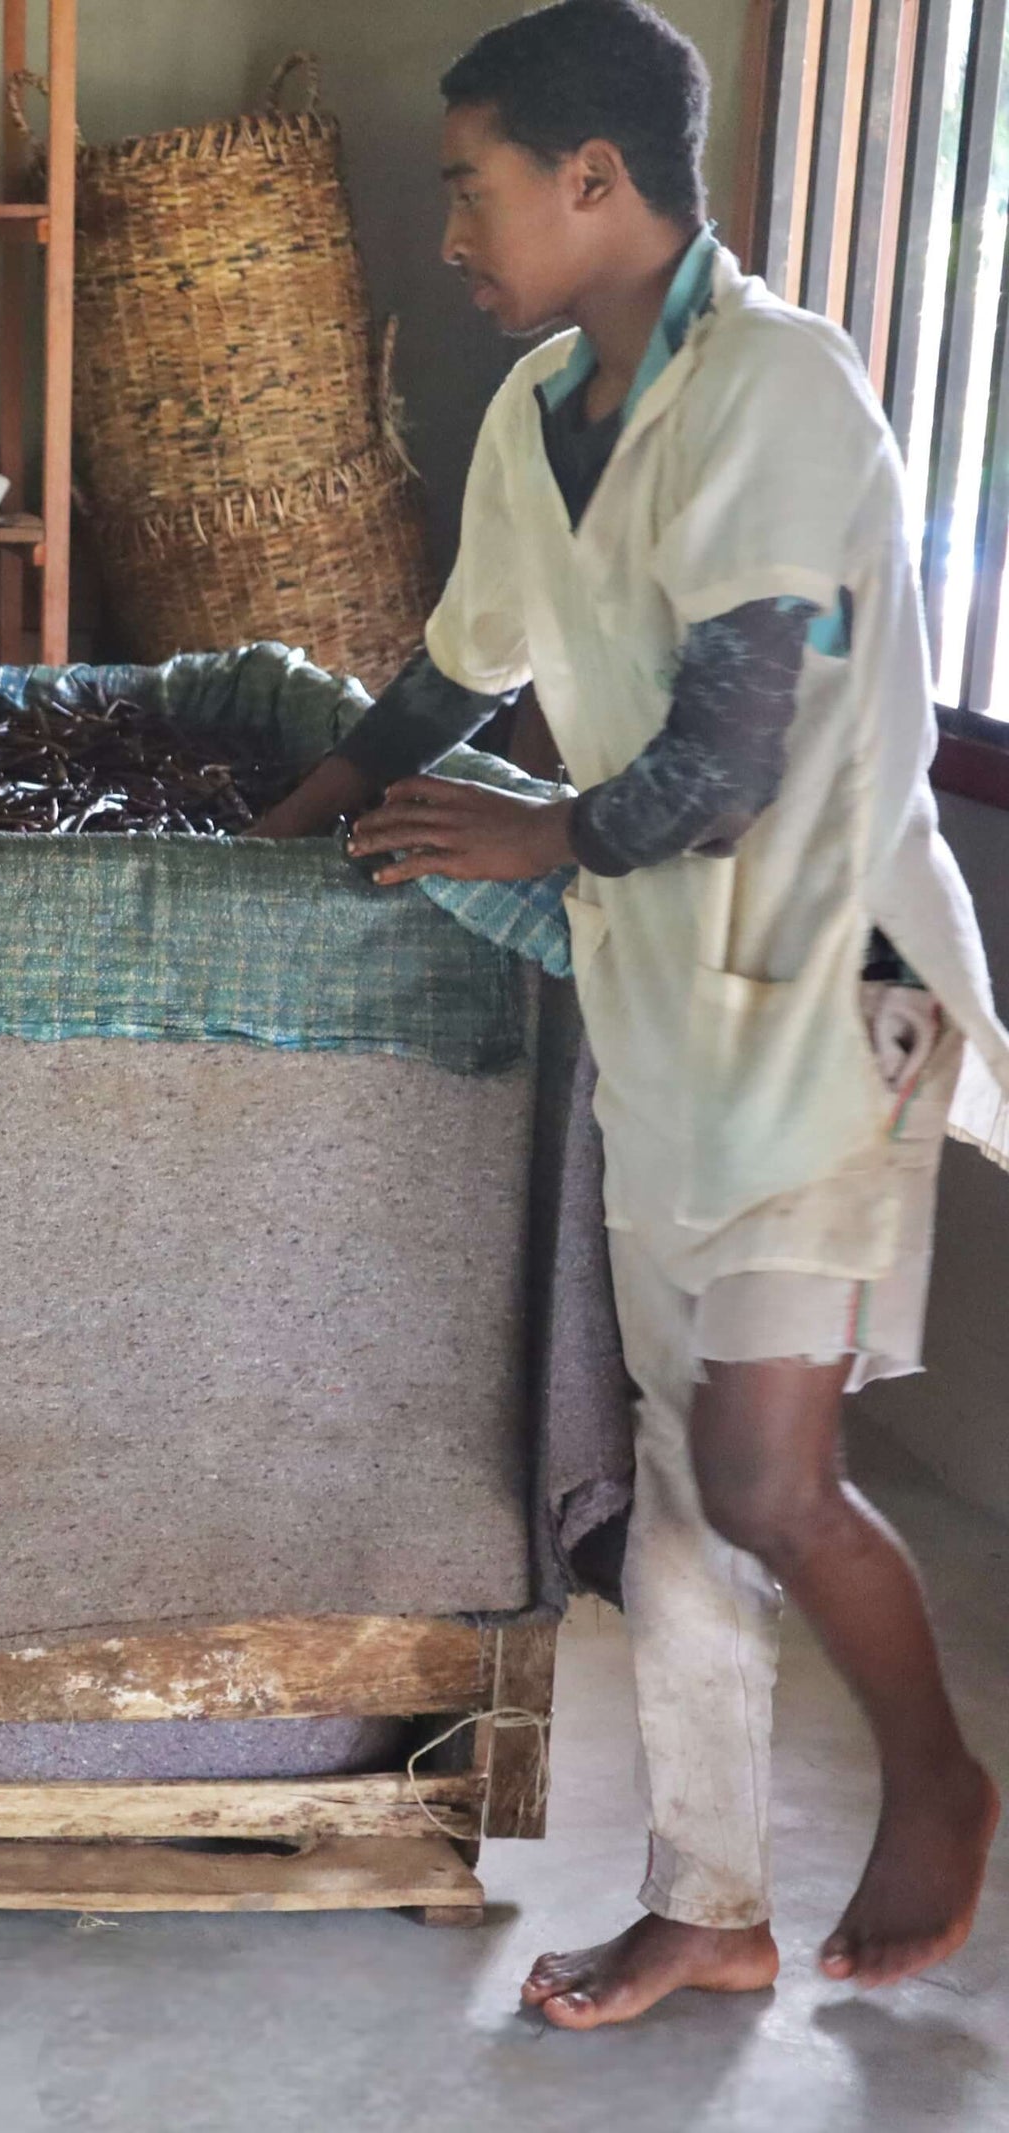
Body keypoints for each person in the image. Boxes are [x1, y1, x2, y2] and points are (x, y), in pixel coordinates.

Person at [249, 0, 1005, 2028]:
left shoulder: (777, 387)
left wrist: (534, 835)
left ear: (597, 181)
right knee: (680, 1482)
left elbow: (732, 750)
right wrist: (293, 805)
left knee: (761, 1473)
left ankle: (937, 1776)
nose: (451, 232)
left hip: (821, 997)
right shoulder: (534, 412)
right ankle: (708, 1897)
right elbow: (452, 667)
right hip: (669, 1008)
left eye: (470, 186)